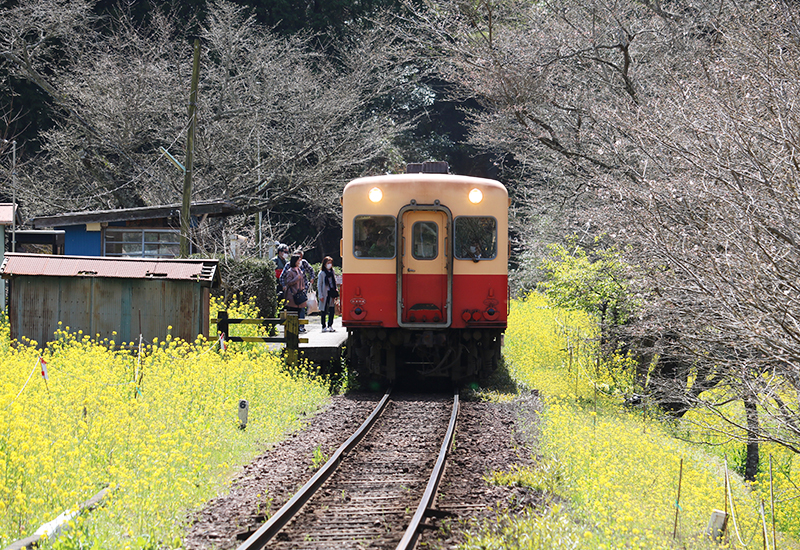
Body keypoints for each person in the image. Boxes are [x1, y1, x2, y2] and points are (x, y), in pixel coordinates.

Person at [280, 249, 314, 332]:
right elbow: (284, 277)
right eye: (298, 258)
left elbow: (311, 270)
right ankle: (293, 327)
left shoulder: (302, 266)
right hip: (292, 293)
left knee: (301, 308)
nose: (300, 260)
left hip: (302, 290)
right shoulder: (289, 268)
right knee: (293, 310)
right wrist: (284, 286)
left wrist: (312, 278)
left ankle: (301, 326)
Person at [283, 254, 308, 331]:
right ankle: (293, 328)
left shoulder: (299, 270)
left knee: (300, 311)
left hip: (300, 294)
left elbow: (303, 280)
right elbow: (289, 282)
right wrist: (296, 278)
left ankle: (300, 327)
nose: (299, 262)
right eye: (298, 260)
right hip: (293, 295)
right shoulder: (290, 271)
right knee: (293, 312)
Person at [317, 256, 338, 332]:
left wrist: (336, 291)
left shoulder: (332, 272)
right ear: (324, 264)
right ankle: (323, 326)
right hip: (324, 293)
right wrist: (320, 295)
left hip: (331, 292)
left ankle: (330, 325)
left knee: (332, 309)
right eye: (328, 263)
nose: (330, 265)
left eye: (330, 263)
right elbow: (319, 285)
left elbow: (334, 282)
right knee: (324, 310)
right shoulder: (322, 273)